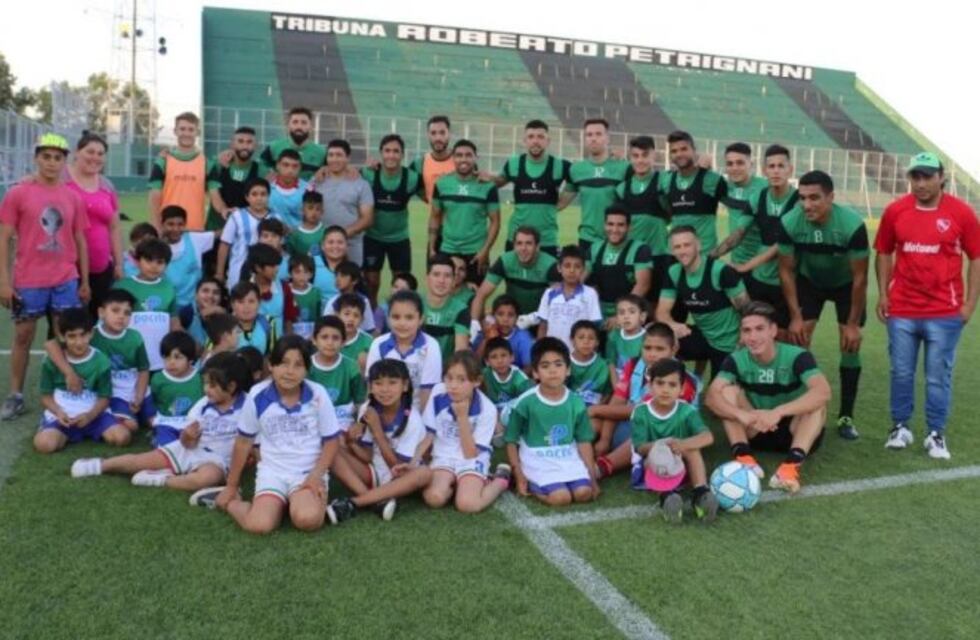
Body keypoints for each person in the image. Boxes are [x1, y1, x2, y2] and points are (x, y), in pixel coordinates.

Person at [876, 152, 980, 459]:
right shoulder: (896, 210)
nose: (920, 183)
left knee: (937, 376)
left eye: (927, 176)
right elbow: (882, 252)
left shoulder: (961, 213)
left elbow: (976, 258)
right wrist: (883, 294)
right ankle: (900, 427)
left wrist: (970, 304)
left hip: (944, 313)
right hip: (903, 310)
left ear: (941, 178)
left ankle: (936, 435)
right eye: (915, 177)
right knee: (901, 372)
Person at [209, 335, 342, 534]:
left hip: (307, 472)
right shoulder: (257, 394)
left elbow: (332, 442)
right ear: (271, 365)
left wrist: (316, 476)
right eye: (283, 363)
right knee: (259, 525)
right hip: (273, 472)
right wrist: (231, 486)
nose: (290, 372)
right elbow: (244, 442)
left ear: (307, 370)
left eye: (298, 365)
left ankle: (299, 503)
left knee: (308, 520)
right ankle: (230, 503)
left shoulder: (318, 394)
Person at [0, 133, 90, 420]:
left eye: (58, 157)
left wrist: (84, 280)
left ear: (65, 161)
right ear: (36, 158)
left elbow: (78, 238)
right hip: (28, 280)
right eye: (46, 156)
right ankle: (15, 395)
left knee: (67, 336)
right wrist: (3, 281)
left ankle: (67, 393)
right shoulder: (18, 193)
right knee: (24, 336)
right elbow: (4, 238)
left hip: (65, 278)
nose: (52, 163)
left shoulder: (72, 196)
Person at [71, 352, 250, 492]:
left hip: (218, 461)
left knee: (206, 479)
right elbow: (187, 442)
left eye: (212, 385)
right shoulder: (203, 405)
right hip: (190, 450)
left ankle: (161, 479)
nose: (206, 389)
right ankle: (100, 465)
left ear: (232, 386)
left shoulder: (249, 408)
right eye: (205, 383)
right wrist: (187, 436)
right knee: (140, 460)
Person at [778, 170, 868, 440]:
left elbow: (860, 278)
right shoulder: (790, 221)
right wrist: (794, 316)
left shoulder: (851, 225)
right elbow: (785, 272)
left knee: (849, 344)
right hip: (810, 282)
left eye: (815, 198)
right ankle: (801, 408)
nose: (807, 205)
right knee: (798, 340)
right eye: (802, 198)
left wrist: (852, 324)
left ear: (831, 197)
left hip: (845, 286)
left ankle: (846, 416)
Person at [705, 302, 831, 493]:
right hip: (755, 429)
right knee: (726, 392)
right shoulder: (736, 359)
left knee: (817, 403)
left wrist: (778, 412)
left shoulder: (798, 356)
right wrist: (741, 415)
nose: (752, 337)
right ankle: (744, 458)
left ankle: (789, 468)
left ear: (773, 330)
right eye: (746, 330)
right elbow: (711, 397)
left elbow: (823, 392)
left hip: (794, 432)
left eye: (759, 329)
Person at [326, 359, 433, 523]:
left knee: (424, 474)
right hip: (373, 471)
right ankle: (377, 501)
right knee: (330, 448)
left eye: (392, 383)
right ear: (370, 387)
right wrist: (351, 442)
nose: (385, 390)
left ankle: (355, 502)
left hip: (399, 478)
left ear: (405, 386)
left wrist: (377, 430)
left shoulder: (412, 419)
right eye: (378, 383)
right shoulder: (368, 408)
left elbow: (397, 468)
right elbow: (368, 456)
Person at [592, 322, 701, 474]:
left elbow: (645, 412)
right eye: (647, 348)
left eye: (659, 349)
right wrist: (605, 438)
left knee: (649, 428)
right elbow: (618, 400)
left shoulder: (683, 379)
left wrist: (596, 409)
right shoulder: (633, 364)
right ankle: (571, 455)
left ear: (673, 349)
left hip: (665, 435)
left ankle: (602, 467)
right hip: (630, 425)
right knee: (595, 421)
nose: (652, 354)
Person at [713, 144, 799, 330]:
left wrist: (747, 265)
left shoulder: (799, 200)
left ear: (790, 169)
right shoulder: (758, 197)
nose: (776, 171)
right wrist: (713, 256)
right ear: (765, 170)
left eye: (780, 166)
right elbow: (739, 232)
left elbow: (781, 244)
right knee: (753, 328)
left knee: (790, 334)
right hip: (759, 277)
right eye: (771, 166)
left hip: (790, 277)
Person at [505, 337, 599, 506]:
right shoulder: (526, 402)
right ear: (535, 373)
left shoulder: (576, 402)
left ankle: (573, 481)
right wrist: (519, 474)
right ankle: (535, 485)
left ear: (568, 369)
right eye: (545, 366)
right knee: (561, 497)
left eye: (558, 364)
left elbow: (584, 441)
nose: (553, 371)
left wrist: (592, 477)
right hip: (537, 458)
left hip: (567, 457)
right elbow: (511, 440)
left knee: (584, 493)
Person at [44, 289, 149, 434]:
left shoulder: (135, 337)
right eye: (115, 310)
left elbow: (143, 369)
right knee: (131, 426)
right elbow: (50, 345)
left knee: (153, 419)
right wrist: (69, 373)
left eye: (127, 313)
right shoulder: (88, 334)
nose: (121, 317)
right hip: (111, 391)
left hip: (133, 387)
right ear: (101, 313)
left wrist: (139, 395)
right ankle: (117, 418)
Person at [419, 352, 510, 513]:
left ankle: (500, 480)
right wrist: (414, 462)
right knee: (434, 498)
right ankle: (454, 483)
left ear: (476, 381)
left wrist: (462, 417)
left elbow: (470, 453)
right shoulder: (438, 392)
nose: (453, 385)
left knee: (467, 505)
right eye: (449, 378)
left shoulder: (487, 408)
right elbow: (429, 434)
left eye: (462, 380)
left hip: (471, 457)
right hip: (443, 456)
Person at [631, 358, 716, 523]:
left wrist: (682, 444)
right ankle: (667, 497)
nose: (665, 390)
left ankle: (700, 493)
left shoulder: (687, 410)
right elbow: (640, 448)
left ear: (682, 388)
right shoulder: (640, 412)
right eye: (660, 383)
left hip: (682, 463)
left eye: (672, 385)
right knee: (658, 454)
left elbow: (708, 437)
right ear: (649, 386)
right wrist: (663, 446)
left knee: (692, 449)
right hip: (651, 468)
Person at [656, 226, 749, 377]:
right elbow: (662, 311)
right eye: (677, 247)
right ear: (672, 250)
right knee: (657, 339)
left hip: (728, 343)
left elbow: (748, 311)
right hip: (703, 337)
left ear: (698, 245)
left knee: (715, 397)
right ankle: (677, 385)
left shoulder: (721, 271)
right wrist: (672, 325)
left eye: (687, 245)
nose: (682, 251)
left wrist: (743, 339)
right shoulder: (673, 272)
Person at [33, 308, 123, 453]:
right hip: (62, 417)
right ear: (62, 337)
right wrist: (58, 412)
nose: (79, 342)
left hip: (93, 415)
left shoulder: (101, 361)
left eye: (83, 335)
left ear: (91, 333)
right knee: (44, 445)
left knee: (122, 437)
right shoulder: (52, 361)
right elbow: (46, 396)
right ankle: (57, 432)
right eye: (72, 336)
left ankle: (86, 431)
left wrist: (90, 416)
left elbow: (105, 397)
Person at [484, 120, 570, 257]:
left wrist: (560, 203)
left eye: (540, 137)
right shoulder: (513, 164)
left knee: (547, 278)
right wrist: (487, 178)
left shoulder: (561, 166)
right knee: (514, 278)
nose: (535, 141)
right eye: (531, 137)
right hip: (517, 239)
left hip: (546, 240)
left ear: (548, 141)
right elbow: (499, 181)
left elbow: (578, 181)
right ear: (524, 141)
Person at [65, 132, 123, 313]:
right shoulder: (61, 178)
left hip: (101, 268)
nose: (95, 157)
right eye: (90, 152)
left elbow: (114, 228)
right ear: (77, 152)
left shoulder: (106, 185)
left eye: (100, 154)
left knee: (96, 321)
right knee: (66, 324)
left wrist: (119, 264)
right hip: (67, 269)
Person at [429, 139, 500, 284]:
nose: (463, 159)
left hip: (476, 253)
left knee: (475, 297)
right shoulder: (442, 184)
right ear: (453, 158)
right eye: (459, 155)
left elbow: (495, 221)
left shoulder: (487, 186)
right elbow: (435, 216)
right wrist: (432, 247)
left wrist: (485, 251)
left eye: (468, 155)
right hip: (447, 250)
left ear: (475, 158)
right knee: (445, 294)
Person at [362, 134, 422, 305]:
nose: (391, 155)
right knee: (371, 282)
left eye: (396, 151)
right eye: (387, 151)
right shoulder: (368, 173)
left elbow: (431, 196)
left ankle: (397, 314)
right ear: (381, 153)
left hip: (399, 239)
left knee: (401, 284)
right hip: (373, 237)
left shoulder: (411, 178)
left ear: (402, 155)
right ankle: (373, 314)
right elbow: (349, 177)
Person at [561, 118, 630, 256]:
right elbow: (561, 203)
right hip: (587, 239)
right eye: (589, 135)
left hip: (617, 238)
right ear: (585, 139)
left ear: (607, 138)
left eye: (598, 134)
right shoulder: (576, 169)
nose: (593, 138)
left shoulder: (623, 167)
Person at [366, 290, 443, 412]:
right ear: (388, 318)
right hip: (382, 410)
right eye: (396, 317)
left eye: (409, 317)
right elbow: (371, 386)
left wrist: (421, 426)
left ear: (421, 319)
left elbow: (427, 391)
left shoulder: (431, 346)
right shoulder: (378, 344)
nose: (402, 323)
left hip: (417, 412)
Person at [113, 238, 181, 372]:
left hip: (160, 359)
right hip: (129, 358)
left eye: (160, 262)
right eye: (149, 260)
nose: (154, 266)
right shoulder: (122, 286)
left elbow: (174, 320)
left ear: (166, 265)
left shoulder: (168, 288)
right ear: (137, 261)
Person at [470, 226, 559, 323]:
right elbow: (481, 295)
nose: (523, 248)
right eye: (519, 243)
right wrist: (475, 323)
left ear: (537, 247)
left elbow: (558, 303)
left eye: (528, 244)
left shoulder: (550, 265)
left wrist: (535, 318)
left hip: (540, 320)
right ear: (514, 246)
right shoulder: (505, 261)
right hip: (511, 319)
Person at [661, 130, 728, 252]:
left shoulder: (712, 179)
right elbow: (664, 214)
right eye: (674, 151)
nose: (679, 154)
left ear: (694, 150)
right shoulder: (665, 181)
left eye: (684, 149)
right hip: (675, 255)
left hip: (704, 256)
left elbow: (736, 209)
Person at [149, 112, 216, 231]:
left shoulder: (207, 163)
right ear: (175, 131)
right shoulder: (162, 161)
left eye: (191, 129)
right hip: (167, 230)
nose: (186, 133)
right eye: (182, 129)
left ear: (197, 132)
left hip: (196, 230)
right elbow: (154, 196)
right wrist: (156, 226)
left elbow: (215, 195)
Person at [585, 206, 652, 324]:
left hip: (629, 313)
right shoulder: (595, 248)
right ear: (604, 225)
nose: (615, 229)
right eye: (610, 224)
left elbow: (643, 285)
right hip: (599, 312)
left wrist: (621, 316)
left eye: (620, 225)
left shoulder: (640, 249)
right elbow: (581, 278)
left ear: (629, 227)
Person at [313, 139, 374, 266]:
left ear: (348, 158)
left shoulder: (361, 184)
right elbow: (306, 208)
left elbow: (367, 219)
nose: (334, 159)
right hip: (320, 243)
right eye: (331, 155)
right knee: (320, 281)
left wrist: (341, 235)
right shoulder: (317, 180)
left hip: (351, 245)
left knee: (350, 282)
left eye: (339, 155)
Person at [143, 330, 203, 447]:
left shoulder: (199, 378)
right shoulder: (158, 378)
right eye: (167, 357)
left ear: (190, 359)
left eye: (177, 357)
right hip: (166, 422)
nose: (171, 362)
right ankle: (158, 437)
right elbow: (150, 400)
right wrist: (151, 418)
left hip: (191, 423)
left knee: (194, 446)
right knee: (168, 447)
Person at [307, 316, 367, 433]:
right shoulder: (306, 366)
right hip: (313, 417)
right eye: (324, 337)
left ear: (343, 342)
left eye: (335, 338)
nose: (330, 342)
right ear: (314, 340)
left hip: (343, 418)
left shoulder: (351, 367)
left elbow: (360, 401)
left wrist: (359, 423)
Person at [537, 245, 602, 351]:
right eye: (567, 266)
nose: (572, 270)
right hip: (552, 352)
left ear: (583, 269)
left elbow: (593, 328)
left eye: (577, 266)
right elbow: (543, 325)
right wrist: (540, 350)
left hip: (578, 354)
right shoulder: (550, 293)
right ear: (559, 268)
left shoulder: (590, 294)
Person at [158, 205, 217, 310]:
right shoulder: (156, 246)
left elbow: (219, 234)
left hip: (194, 307)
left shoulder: (194, 239)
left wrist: (235, 217)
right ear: (162, 224)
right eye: (170, 224)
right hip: (166, 307)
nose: (175, 229)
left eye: (180, 224)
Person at [207, 126, 260, 231]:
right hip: (217, 229)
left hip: (245, 230)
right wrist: (224, 209)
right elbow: (214, 194)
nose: (245, 146)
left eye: (249, 142)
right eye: (240, 141)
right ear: (232, 144)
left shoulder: (260, 169)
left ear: (255, 146)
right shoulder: (218, 165)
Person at [423, 254, 471, 363]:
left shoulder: (461, 310)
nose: (441, 280)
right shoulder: (414, 304)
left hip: (445, 373)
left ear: (454, 280)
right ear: (427, 278)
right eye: (436, 274)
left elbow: (460, 351)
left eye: (447, 276)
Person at [481, 336, 533, 437]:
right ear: (487, 362)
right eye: (494, 357)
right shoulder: (484, 374)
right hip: (492, 409)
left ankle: (506, 431)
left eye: (503, 355)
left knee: (512, 413)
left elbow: (527, 402)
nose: (500, 361)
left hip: (511, 410)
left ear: (512, 357)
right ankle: (497, 430)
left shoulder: (519, 377)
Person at [256, 106, 327, 180]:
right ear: (288, 126)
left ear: (310, 127)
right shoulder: (274, 147)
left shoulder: (321, 153)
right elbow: (262, 164)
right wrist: (267, 174)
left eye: (304, 123)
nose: (299, 126)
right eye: (295, 122)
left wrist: (326, 168)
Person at [567, 321, 612, 428]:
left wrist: (598, 409)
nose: (586, 342)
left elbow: (607, 393)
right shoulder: (564, 362)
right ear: (572, 340)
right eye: (581, 337)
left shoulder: (603, 365)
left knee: (593, 427)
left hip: (594, 410)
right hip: (568, 408)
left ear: (597, 342)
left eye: (591, 338)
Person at [474, 295, 533, 371]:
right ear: (493, 316)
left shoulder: (523, 338)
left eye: (511, 315)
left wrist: (514, 381)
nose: (505, 319)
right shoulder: (485, 333)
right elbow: (474, 364)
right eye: (500, 314)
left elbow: (529, 367)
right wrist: (486, 340)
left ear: (517, 318)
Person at [410, 115, 455, 203]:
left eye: (442, 133)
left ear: (449, 134)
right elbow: (398, 177)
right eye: (433, 133)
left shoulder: (462, 161)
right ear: (428, 135)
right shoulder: (419, 164)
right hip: (434, 216)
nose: (438, 138)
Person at [605, 294, 649, 383]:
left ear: (642, 316)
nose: (626, 316)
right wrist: (617, 388)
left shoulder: (648, 338)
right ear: (616, 318)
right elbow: (611, 363)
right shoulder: (614, 336)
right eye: (621, 313)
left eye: (632, 312)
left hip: (639, 380)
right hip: (617, 380)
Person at [322, 261, 375, 334]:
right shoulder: (332, 301)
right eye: (336, 275)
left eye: (343, 276)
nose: (338, 279)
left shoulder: (364, 301)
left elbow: (368, 327)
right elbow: (325, 325)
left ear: (355, 280)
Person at [267, 149, 308, 230]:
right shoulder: (266, 188)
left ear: (300, 168)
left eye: (295, 166)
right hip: (272, 239)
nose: (290, 170)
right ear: (277, 165)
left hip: (298, 239)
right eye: (286, 165)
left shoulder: (308, 190)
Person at [229, 281, 273, 355]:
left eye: (251, 301)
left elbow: (273, 355)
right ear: (232, 305)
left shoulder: (268, 322)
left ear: (259, 303)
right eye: (241, 302)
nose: (246, 307)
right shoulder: (223, 325)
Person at [336, 293, 374, 372]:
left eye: (356, 315)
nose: (351, 319)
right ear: (337, 315)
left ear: (362, 319)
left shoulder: (369, 342)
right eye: (347, 314)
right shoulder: (330, 338)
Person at [285, 191, 326, 260]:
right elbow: (290, 256)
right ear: (302, 210)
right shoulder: (295, 235)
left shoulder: (326, 232)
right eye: (310, 208)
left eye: (318, 209)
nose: (314, 212)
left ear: (322, 211)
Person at [288, 254, 319, 340]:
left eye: (306, 272)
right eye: (297, 272)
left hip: (311, 335)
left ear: (311, 274)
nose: (302, 276)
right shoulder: (286, 290)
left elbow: (318, 316)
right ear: (290, 274)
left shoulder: (316, 292)